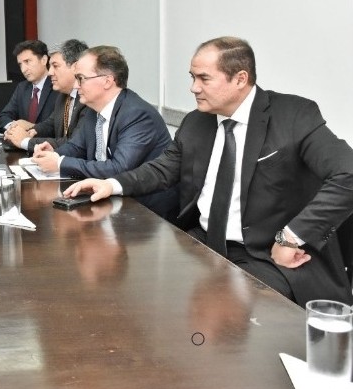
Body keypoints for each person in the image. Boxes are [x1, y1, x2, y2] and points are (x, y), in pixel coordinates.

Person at [64, 36, 353, 306]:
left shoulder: (293, 116)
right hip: (201, 241)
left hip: (265, 254)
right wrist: (111, 184)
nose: (194, 87)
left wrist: (290, 237)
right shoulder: (196, 122)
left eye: (204, 78)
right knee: (140, 294)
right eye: (192, 77)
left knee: (242, 320)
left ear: (240, 78)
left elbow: (347, 173)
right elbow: (162, 170)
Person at [33, 46, 178, 220]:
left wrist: (60, 163)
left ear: (107, 81)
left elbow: (118, 168)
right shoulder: (92, 109)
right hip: (109, 200)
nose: (76, 85)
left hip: (147, 212)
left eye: (81, 78)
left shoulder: (137, 114)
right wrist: (53, 154)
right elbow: (77, 146)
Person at [4, 39, 89, 150]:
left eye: (55, 66)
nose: (50, 72)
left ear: (75, 67)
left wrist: (25, 141)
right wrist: (31, 131)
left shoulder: (87, 99)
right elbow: (51, 124)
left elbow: (73, 143)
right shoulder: (63, 96)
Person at [0, 40, 56, 132]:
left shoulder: (57, 86)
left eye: (27, 61)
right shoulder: (22, 88)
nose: (23, 70)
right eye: (20, 64)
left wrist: (30, 128)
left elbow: (56, 127)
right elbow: (2, 117)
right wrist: (14, 127)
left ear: (44, 60)